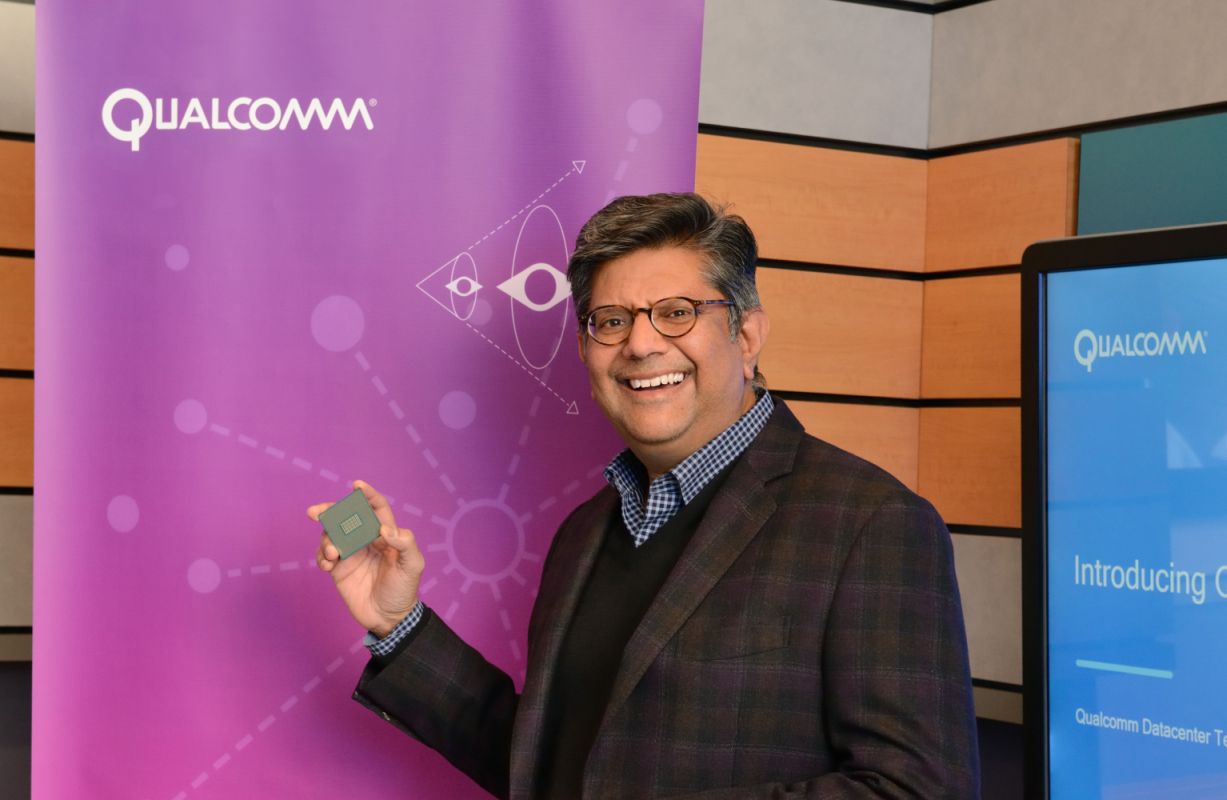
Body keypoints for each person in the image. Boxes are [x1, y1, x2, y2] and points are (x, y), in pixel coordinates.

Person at [309, 193, 980, 798]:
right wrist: (399, 624)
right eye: (610, 320)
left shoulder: (871, 525)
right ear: (585, 350)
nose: (640, 344)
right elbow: (547, 769)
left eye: (676, 313)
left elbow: (917, 789)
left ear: (746, 335)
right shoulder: (583, 532)